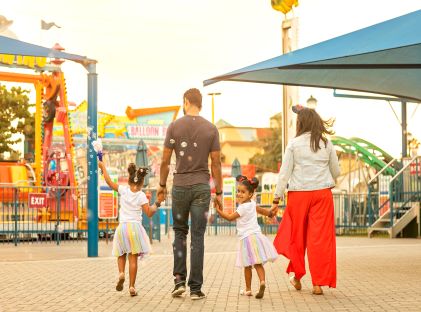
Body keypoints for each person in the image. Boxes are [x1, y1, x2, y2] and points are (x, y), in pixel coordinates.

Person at [158, 88, 223, 300]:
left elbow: (165, 161)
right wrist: (219, 192)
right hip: (202, 188)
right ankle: (195, 288)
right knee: (197, 237)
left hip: (179, 188)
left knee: (179, 233)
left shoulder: (174, 126)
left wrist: (161, 186)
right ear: (200, 103)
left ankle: (179, 282)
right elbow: (216, 164)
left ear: (186, 102)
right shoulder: (211, 129)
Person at [272, 105, 340, 295]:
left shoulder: (293, 144)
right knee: (320, 239)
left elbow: (284, 174)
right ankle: (318, 283)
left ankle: (297, 276)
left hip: (299, 194)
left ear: (301, 123)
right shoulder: (326, 143)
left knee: (297, 237)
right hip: (322, 194)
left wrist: (276, 198)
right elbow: (337, 171)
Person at [98, 161, 163, 297]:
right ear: (141, 183)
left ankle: (121, 273)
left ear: (129, 180)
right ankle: (132, 287)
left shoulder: (124, 190)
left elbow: (109, 182)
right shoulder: (141, 196)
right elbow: (149, 212)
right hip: (134, 228)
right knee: (132, 258)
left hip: (122, 227)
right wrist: (157, 203)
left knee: (121, 254)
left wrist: (103, 166)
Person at [215, 175, 278, 299]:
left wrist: (218, 211)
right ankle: (262, 282)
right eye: (238, 191)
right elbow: (263, 211)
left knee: (247, 265)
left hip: (246, 239)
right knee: (258, 263)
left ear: (250, 194)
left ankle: (248, 289)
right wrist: (271, 214)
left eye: (242, 192)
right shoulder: (252, 204)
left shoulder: (242, 208)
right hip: (257, 237)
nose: (239, 194)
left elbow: (229, 218)